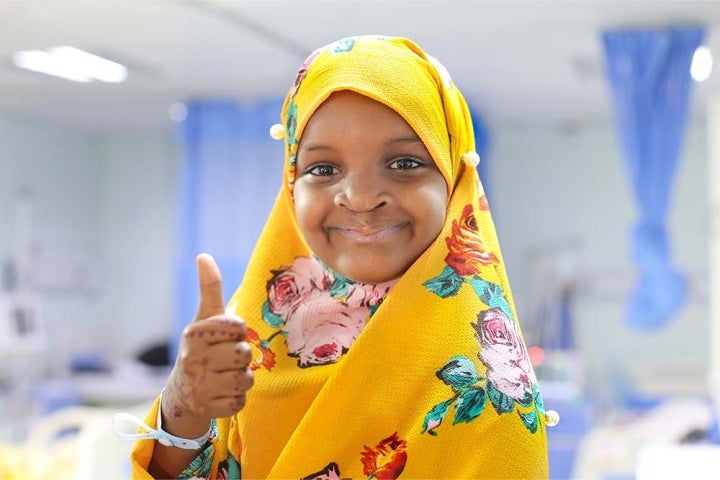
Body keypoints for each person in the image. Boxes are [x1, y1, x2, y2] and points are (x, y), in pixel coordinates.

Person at [125, 34, 555, 479]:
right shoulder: (253, 340)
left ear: (454, 177)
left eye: (405, 163)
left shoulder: (487, 391)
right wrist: (182, 413)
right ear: (292, 185)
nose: (361, 198)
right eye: (323, 169)